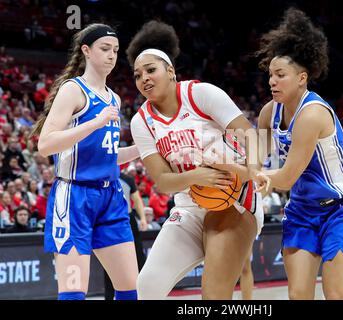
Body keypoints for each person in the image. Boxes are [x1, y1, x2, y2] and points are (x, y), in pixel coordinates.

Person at [128, 20, 264, 299]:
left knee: (213, 296)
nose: (144, 78)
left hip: (233, 199)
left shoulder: (200, 94)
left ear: (170, 71)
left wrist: (251, 169)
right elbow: (164, 182)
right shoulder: (141, 122)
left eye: (151, 70)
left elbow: (252, 137)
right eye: (137, 75)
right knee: (146, 288)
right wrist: (198, 176)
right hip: (188, 206)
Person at [254, 8, 343, 300]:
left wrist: (250, 176)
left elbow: (287, 177)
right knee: (298, 295)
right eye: (270, 75)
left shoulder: (312, 114)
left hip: (339, 207)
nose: (272, 82)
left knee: (335, 295)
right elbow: (253, 161)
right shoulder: (269, 112)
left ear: (302, 78)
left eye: (280, 75)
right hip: (302, 209)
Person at [32, 24, 140, 300]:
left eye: (115, 50)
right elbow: (46, 144)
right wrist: (95, 122)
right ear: (86, 50)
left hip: (110, 195)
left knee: (129, 288)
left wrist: (144, 148)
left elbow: (109, 156)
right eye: (105, 49)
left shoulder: (114, 98)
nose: (111, 55)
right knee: (74, 291)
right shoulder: (73, 90)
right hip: (74, 196)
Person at [104, 171, 147, 300]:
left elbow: (137, 199)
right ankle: (109, 296)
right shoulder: (101, 177)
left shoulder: (127, 179)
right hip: (108, 220)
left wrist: (143, 218)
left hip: (128, 218)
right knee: (109, 261)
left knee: (139, 257)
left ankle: (142, 293)